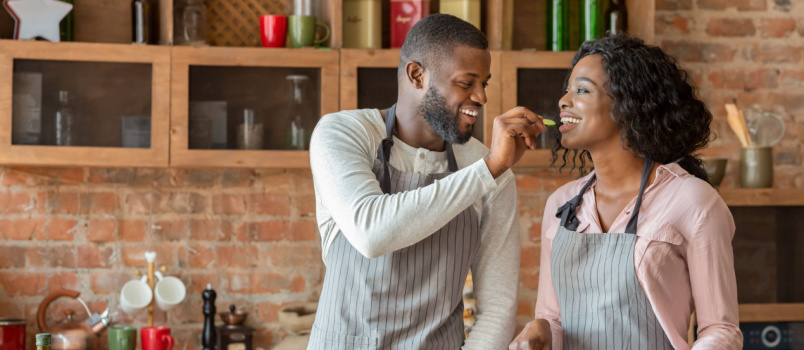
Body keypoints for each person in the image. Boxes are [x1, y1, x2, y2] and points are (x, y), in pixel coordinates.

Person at [308, 14, 547, 349]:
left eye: (485, 83)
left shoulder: (489, 171)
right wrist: (489, 168)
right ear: (417, 75)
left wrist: (490, 168)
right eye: (467, 82)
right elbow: (371, 232)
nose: (481, 97)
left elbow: (497, 309)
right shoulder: (343, 133)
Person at [510, 34, 742, 350]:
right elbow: (554, 320)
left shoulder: (693, 201)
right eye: (567, 89)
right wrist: (539, 330)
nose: (564, 100)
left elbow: (721, 330)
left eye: (581, 90)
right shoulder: (562, 205)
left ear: (627, 106)